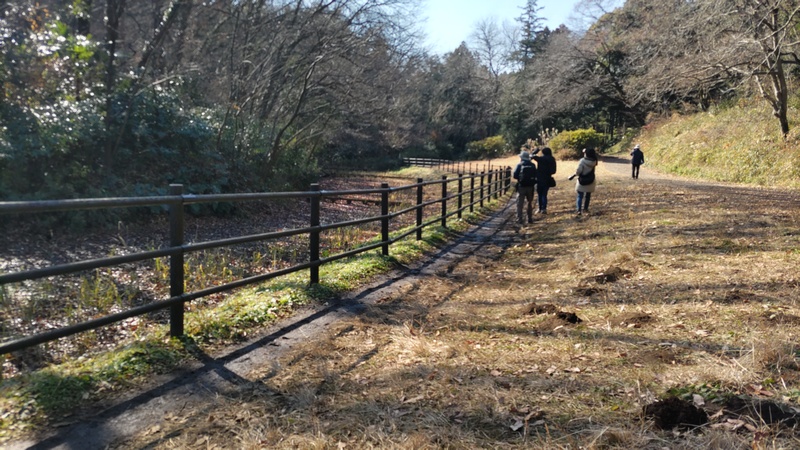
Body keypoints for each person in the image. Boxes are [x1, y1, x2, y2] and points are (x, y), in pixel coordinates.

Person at [568, 147, 598, 216]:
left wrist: (573, 175)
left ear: (586, 154)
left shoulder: (582, 161)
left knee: (580, 195)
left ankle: (579, 210)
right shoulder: (594, 161)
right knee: (588, 195)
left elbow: (578, 171)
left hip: (582, 180)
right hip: (591, 180)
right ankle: (586, 208)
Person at [513, 150, 537, 224]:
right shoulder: (533, 165)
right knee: (529, 203)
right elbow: (535, 175)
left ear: (521, 157)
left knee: (520, 204)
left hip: (521, 186)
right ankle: (529, 218)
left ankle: (519, 219)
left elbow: (514, 175)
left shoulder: (519, 165)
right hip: (530, 187)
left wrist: (520, 179)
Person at [531, 147, 556, 214]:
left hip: (539, 178)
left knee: (539, 194)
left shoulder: (540, 159)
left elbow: (531, 156)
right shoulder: (552, 159)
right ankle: (544, 208)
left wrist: (535, 151)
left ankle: (539, 207)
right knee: (544, 194)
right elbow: (554, 171)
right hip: (548, 178)